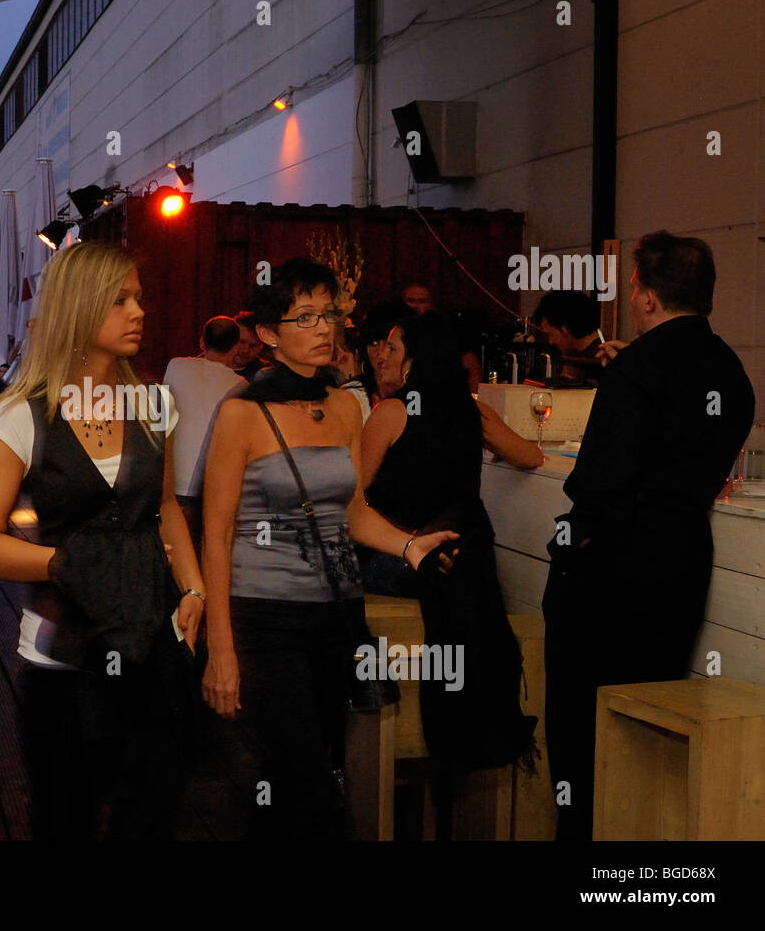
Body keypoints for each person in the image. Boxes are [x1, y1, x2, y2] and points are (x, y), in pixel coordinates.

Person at [199, 258, 458, 839]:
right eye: (306, 317)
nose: (324, 328)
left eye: (330, 314)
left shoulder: (346, 406)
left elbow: (353, 512)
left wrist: (409, 545)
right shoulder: (242, 413)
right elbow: (215, 535)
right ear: (267, 334)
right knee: (309, 785)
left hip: (337, 617)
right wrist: (221, 649)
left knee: (301, 776)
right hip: (264, 619)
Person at [0, 241, 204, 839]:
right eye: (120, 300)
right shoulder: (23, 414)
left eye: (139, 298)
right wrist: (71, 564)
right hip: (63, 655)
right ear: (78, 307)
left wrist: (195, 591)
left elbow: (167, 508)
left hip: (154, 641)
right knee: (64, 819)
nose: (139, 311)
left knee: (153, 814)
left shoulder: (154, 404)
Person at [543, 231, 755, 842]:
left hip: (612, 571)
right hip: (682, 562)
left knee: (581, 733)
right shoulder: (730, 371)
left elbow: (602, 485)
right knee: (644, 729)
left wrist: (572, 546)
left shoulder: (636, 369)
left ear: (646, 296)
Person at [359, 310, 540, 787]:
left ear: (416, 361)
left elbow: (353, 498)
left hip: (404, 561)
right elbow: (531, 455)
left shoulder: (390, 413)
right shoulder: (472, 411)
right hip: (468, 561)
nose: (382, 355)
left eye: (393, 350)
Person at [162, 315, 244, 548]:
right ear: (236, 347)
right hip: (209, 491)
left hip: (169, 484)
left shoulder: (176, 365)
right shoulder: (241, 386)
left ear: (201, 342)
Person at [532, 289, 604, 385]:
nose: (550, 342)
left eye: (551, 335)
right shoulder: (571, 356)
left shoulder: (603, 359)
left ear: (565, 329)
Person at [229, 311, 267, 380]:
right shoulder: (207, 363)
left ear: (260, 347)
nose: (245, 350)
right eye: (241, 342)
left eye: (253, 345)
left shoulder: (266, 377)